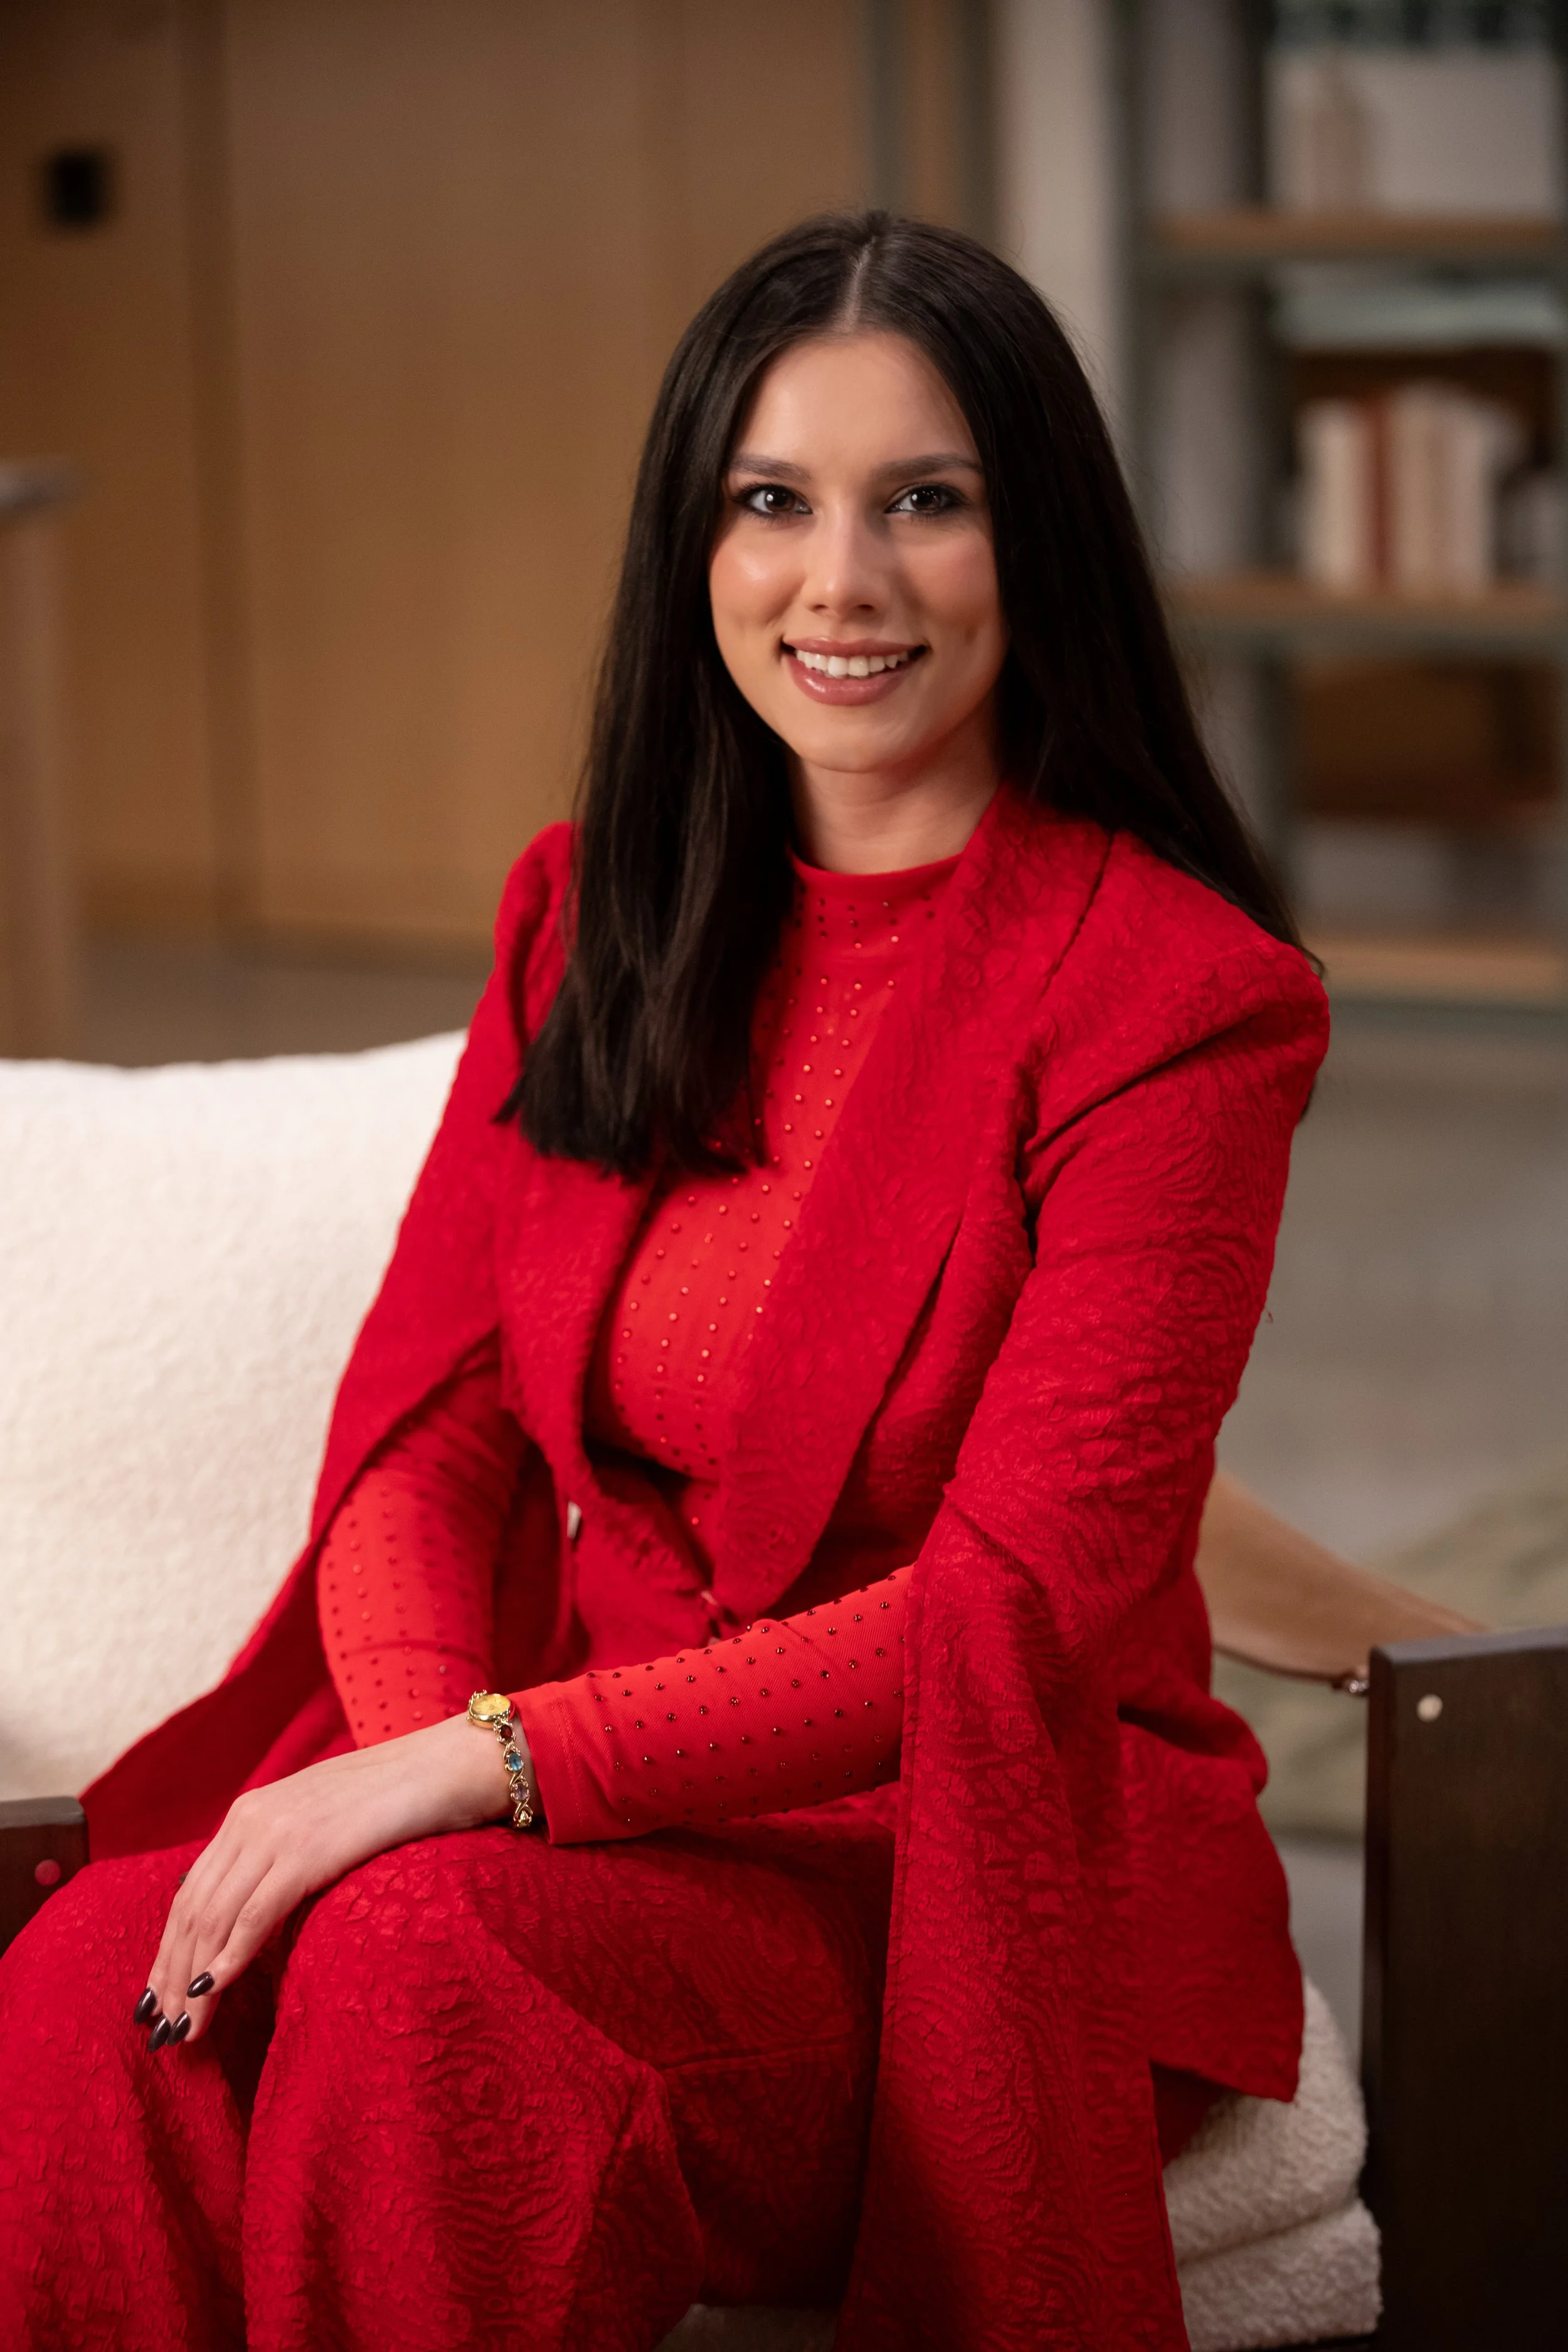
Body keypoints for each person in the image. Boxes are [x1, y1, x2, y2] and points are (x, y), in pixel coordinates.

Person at [0, 211, 1327, 2352]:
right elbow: (430, 1429)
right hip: (563, 1830)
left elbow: (1014, 1601)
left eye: (927, 501)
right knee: (93, 1978)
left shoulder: (1179, 1001)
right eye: (771, 501)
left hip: (960, 1871)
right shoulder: (586, 914)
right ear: (692, 540)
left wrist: (479, 1772)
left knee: (429, 1963)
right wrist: (422, 1760)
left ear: (1038, 535)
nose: (843, 582)